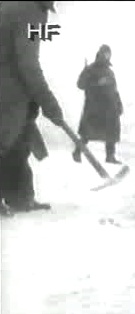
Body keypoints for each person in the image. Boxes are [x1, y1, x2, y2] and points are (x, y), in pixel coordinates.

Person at [0, 1, 65, 217]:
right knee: (5, 140)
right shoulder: (30, 11)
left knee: (19, 139)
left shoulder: (19, 7)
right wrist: (48, 102)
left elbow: (31, 42)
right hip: (8, 88)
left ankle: (19, 196)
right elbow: (27, 63)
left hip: (13, 86)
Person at [73, 44, 123, 164]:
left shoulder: (110, 72)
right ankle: (77, 152)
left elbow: (115, 90)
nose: (107, 56)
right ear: (100, 54)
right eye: (105, 53)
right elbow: (80, 85)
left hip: (109, 107)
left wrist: (119, 104)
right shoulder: (91, 69)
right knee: (87, 133)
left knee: (112, 131)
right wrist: (96, 82)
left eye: (108, 54)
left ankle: (110, 156)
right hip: (94, 107)